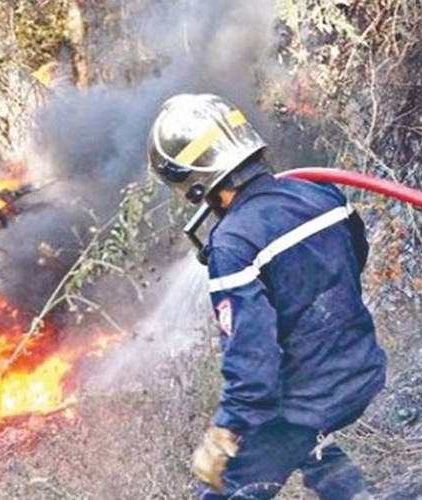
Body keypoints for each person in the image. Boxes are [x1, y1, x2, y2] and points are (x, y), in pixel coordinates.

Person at [146, 93, 387, 499]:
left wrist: (225, 431)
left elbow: (252, 359)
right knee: (303, 440)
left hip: (309, 399)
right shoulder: (322, 195)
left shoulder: (233, 243)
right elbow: (354, 259)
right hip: (362, 368)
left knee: (231, 488)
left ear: (194, 182)